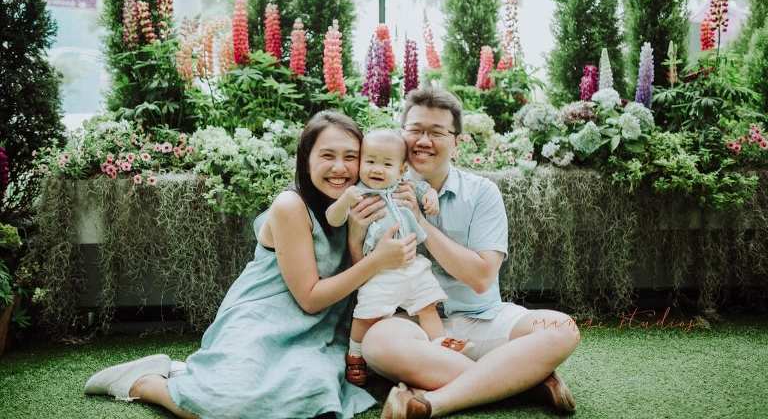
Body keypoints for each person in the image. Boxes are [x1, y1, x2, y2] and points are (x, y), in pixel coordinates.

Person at [83, 111, 418, 419]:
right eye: (327, 156)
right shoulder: (291, 205)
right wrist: (376, 260)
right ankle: (145, 381)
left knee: (309, 394)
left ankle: (194, 374)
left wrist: (359, 238)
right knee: (232, 406)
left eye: (351, 157)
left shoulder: (363, 202)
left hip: (320, 328)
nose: (340, 168)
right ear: (306, 160)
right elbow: (311, 297)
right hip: (264, 317)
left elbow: (364, 277)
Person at [347, 88, 581, 418]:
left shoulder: (482, 193)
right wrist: (356, 238)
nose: (423, 140)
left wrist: (419, 223)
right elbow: (363, 276)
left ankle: (431, 403)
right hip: (411, 323)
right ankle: (525, 380)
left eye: (437, 132)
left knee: (562, 329)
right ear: (402, 134)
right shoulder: (373, 191)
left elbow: (481, 278)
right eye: (415, 130)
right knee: (376, 346)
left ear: (457, 142)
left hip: (481, 317)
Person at [325, 129, 468, 386]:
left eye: (386, 164)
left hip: (412, 265)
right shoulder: (358, 192)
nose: (377, 169)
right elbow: (333, 218)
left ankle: (439, 343)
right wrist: (345, 200)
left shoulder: (406, 186)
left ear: (402, 169)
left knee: (427, 306)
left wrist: (431, 196)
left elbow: (427, 190)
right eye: (370, 161)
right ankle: (355, 354)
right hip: (379, 271)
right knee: (367, 314)